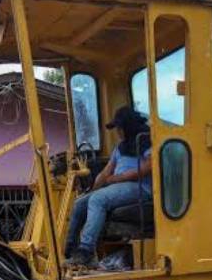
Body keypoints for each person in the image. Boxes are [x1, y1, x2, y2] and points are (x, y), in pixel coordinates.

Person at [64, 106, 152, 268]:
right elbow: (106, 172)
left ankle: (86, 251)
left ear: (128, 127)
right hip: (119, 186)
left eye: (119, 128)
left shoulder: (146, 141)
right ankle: (69, 249)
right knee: (80, 203)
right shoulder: (120, 147)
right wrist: (93, 189)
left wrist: (119, 178)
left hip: (141, 187)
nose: (117, 132)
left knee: (98, 200)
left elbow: (149, 166)